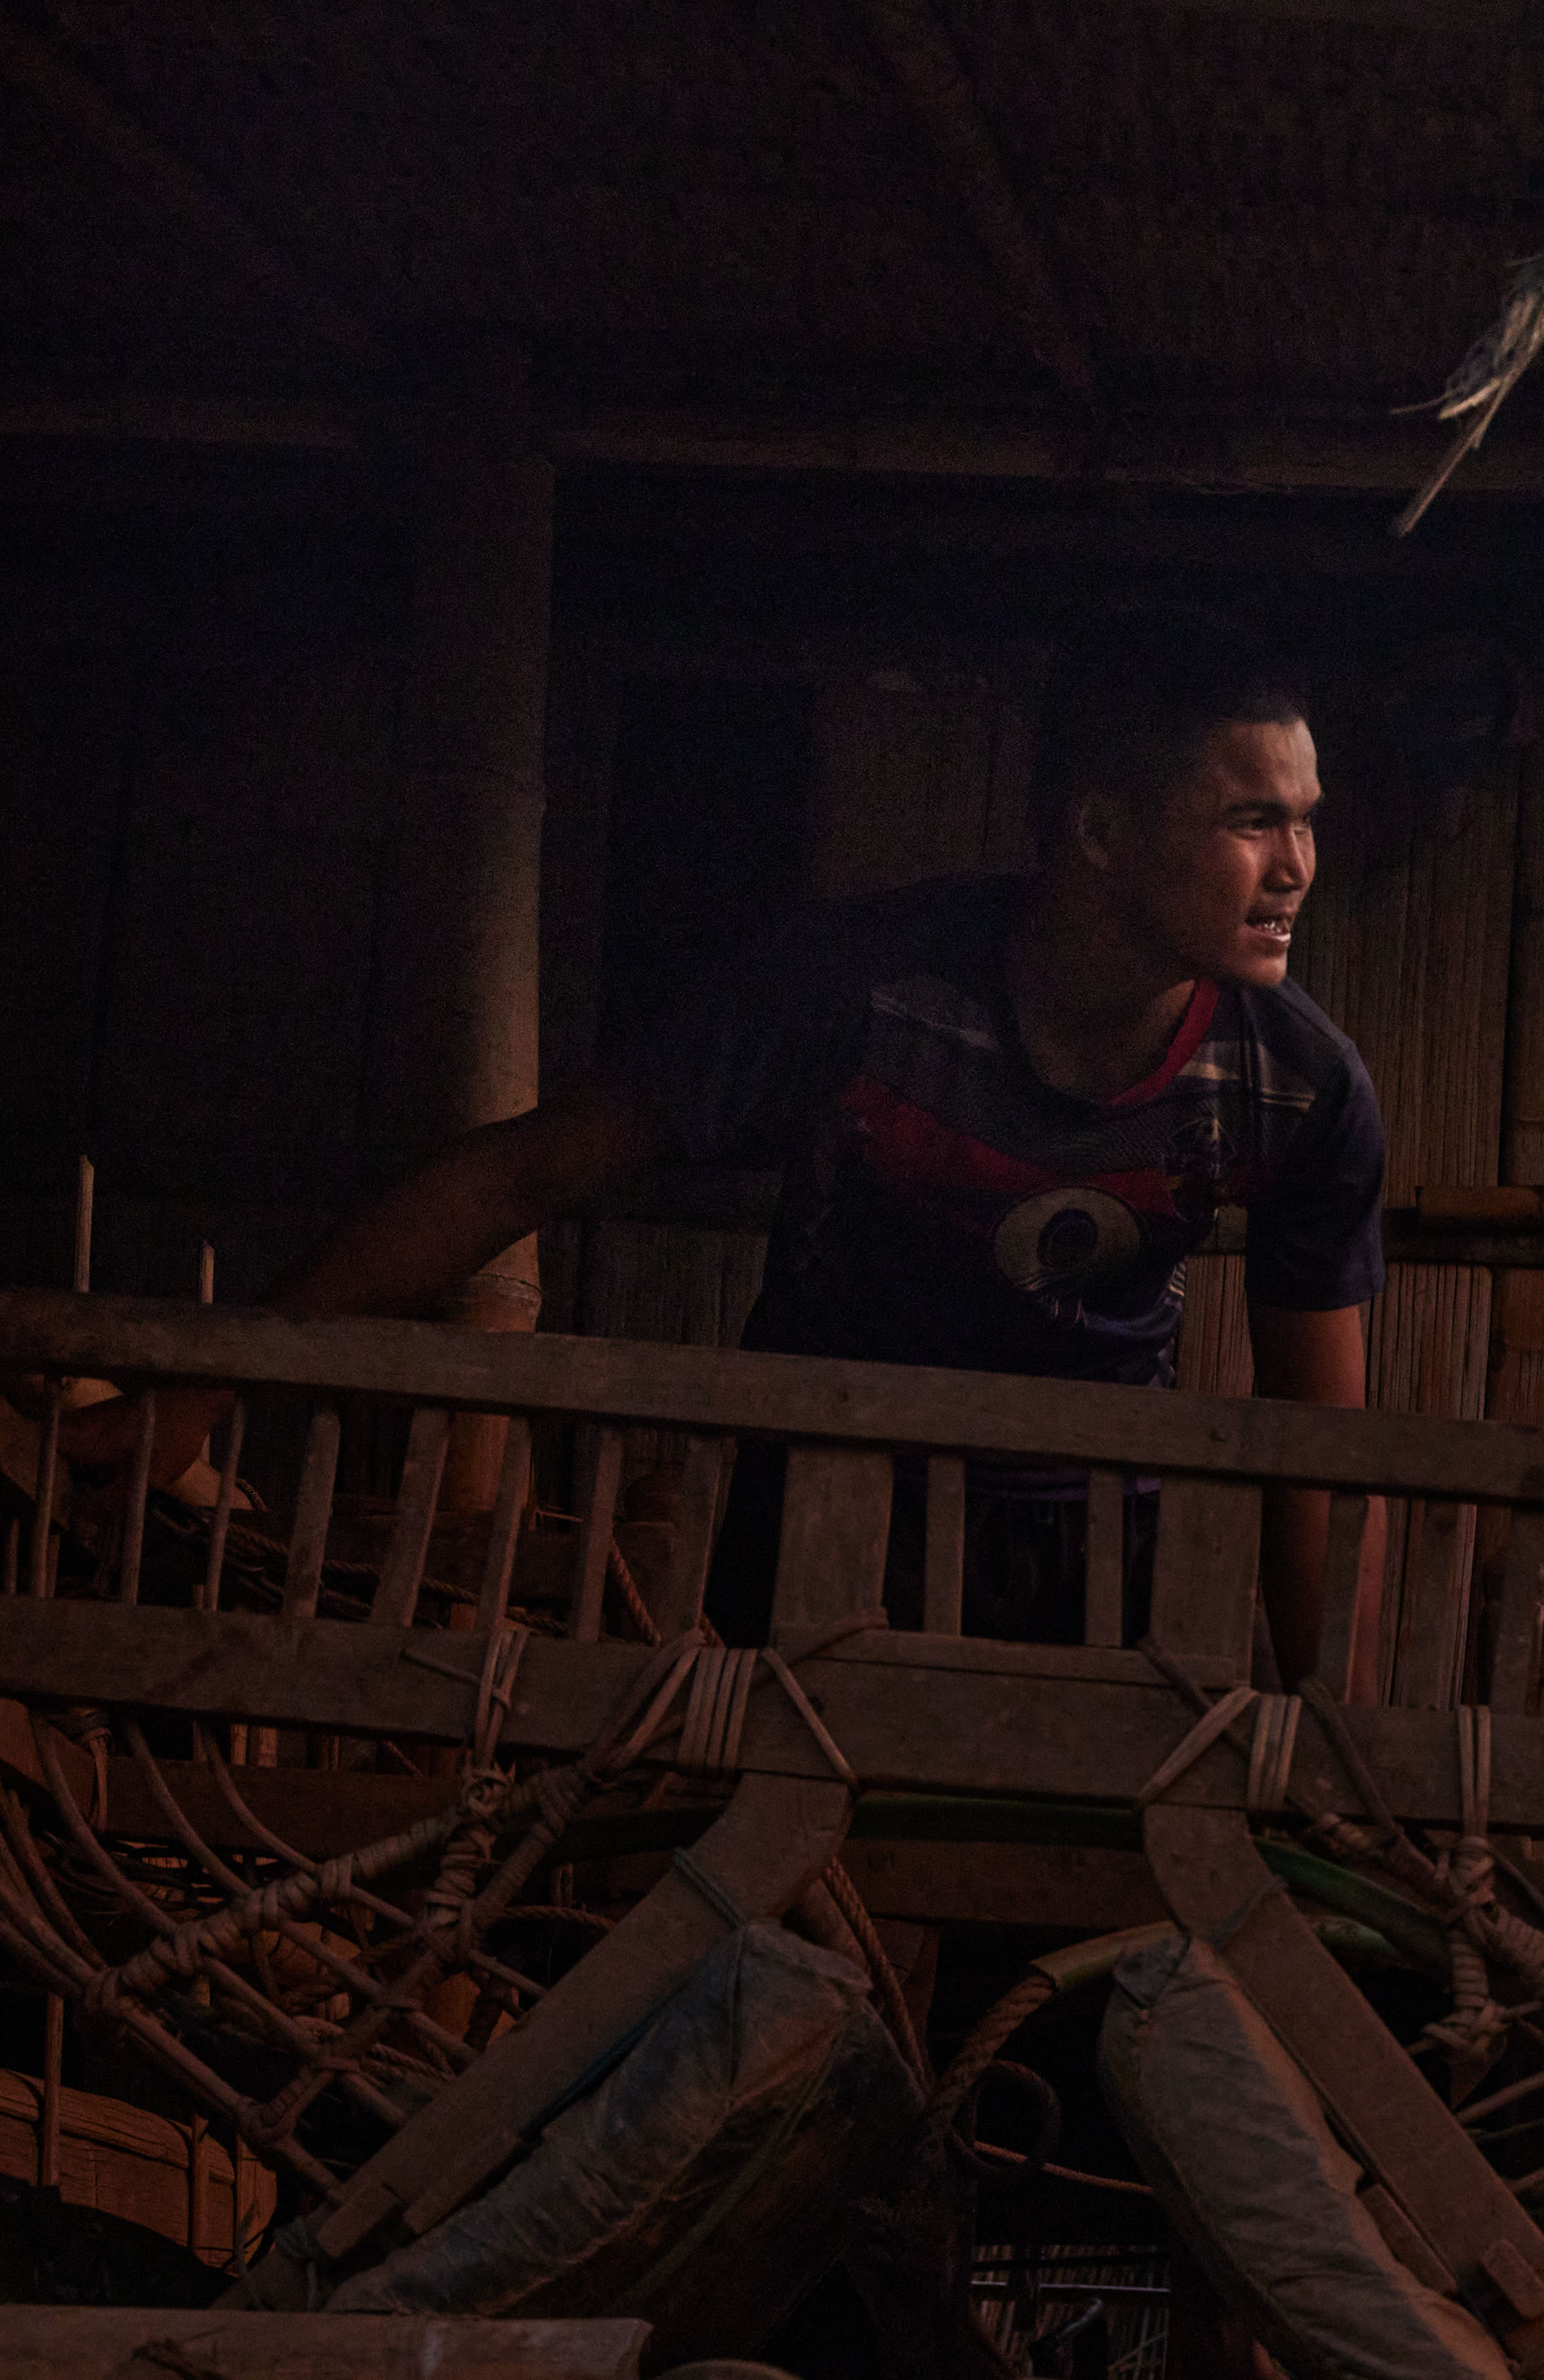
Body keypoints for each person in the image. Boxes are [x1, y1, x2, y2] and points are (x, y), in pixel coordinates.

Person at [274, 607, 1387, 1665]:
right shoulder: (858, 990)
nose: (1298, 866)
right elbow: (520, 1173)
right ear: (1098, 828)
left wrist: (1356, 1753)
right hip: (823, 1511)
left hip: (1094, 1542)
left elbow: (1323, 1441)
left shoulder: (1296, 1084)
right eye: (1252, 821)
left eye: (1309, 819)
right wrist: (214, 1384)